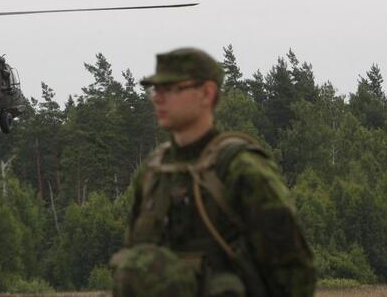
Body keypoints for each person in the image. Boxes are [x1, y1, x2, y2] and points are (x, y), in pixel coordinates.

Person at [111, 47, 315, 297]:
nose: (158, 98)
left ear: (207, 93)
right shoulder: (153, 172)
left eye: (172, 89)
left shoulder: (241, 168)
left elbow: (293, 270)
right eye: (156, 90)